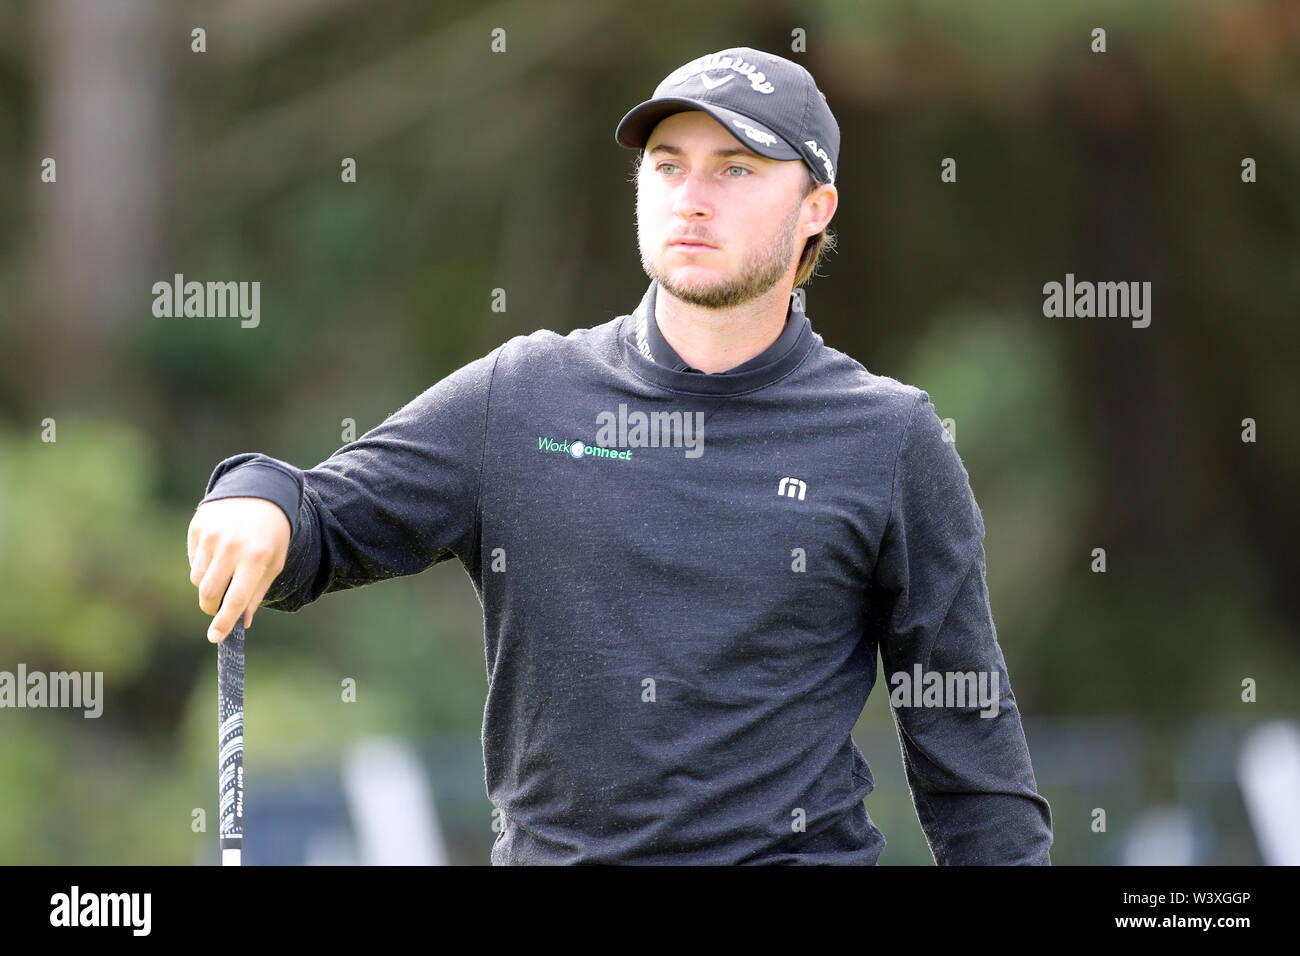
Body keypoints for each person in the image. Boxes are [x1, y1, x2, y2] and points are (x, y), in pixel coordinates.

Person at [187, 46, 1053, 865]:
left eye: (736, 168)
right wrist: (256, 499)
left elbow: (971, 753)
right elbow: (320, 522)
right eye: (669, 164)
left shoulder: (889, 438)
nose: (692, 194)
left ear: (815, 209)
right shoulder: (521, 395)